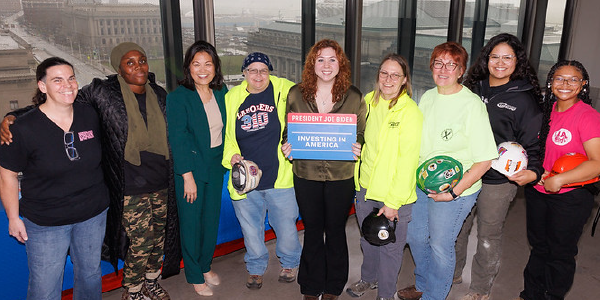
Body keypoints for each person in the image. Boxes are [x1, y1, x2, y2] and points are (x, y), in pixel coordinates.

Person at [1, 42, 180, 300]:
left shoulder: (157, 95)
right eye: (129, 62)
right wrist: (12, 116)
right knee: (47, 284)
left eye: (141, 60)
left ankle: (150, 282)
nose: (138, 66)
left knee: (105, 267)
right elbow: (55, 106)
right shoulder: (102, 94)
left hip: (125, 197)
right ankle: (133, 290)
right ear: (118, 68)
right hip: (108, 195)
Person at [0, 57, 109, 300]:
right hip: (45, 222)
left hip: (92, 215)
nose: (67, 85)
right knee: (45, 287)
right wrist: (13, 217)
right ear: (42, 86)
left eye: (71, 78)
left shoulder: (89, 114)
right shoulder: (23, 128)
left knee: (90, 275)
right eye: (57, 80)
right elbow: (7, 174)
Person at [396, 41, 497, 300]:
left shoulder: (472, 105)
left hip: (457, 189)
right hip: (422, 184)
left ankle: (434, 296)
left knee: (440, 245)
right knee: (416, 238)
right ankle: (422, 284)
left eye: (451, 64)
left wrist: (453, 193)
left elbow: (485, 160)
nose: (444, 69)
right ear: (431, 67)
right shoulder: (427, 97)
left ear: (461, 70)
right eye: (438, 63)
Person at [453, 33, 544, 300]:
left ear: (518, 62)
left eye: (507, 57)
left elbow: (534, 146)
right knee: (458, 229)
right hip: (466, 174)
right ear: (486, 59)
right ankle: (453, 271)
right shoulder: (471, 88)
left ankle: (480, 289)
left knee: (487, 237)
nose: (500, 62)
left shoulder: (524, 99)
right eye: (495, 56)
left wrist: (534, 171)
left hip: (497, 182)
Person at [281, 38, 366, 300]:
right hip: (305, 174)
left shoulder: (354, 96)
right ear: (312, 64)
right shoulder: (296, 94)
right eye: (320, 59)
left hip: (341, 175)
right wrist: (287, 145)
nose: (326, 65)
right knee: (313, 230)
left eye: (332, 59)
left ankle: (333, 286)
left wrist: (359, 145)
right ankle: (310, 285)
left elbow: (361, 132)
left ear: (340, 64)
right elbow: (289, 130)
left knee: (337, 230)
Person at [515, 60, 600, 300]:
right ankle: (531, 294)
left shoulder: (588, 116)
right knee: (539, 248)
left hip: (571, 198)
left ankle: (552, 296)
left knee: (560, 253)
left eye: (573, 79)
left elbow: (597, 163)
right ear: (551, 82)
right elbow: (537, 150)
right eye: (560, 78)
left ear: (583, 85)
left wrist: (561, 179)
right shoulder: (544, 112)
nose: (565, 84)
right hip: (538, 192)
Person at [222, 52, 302, 290]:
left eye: (263, 70)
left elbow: (311, 102)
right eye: (252, 70)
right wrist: (231, 157)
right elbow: (228, 137)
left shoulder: (286, 89)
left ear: (271, 72)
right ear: (244, 73)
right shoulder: (232, 97)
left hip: (280, 175)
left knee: (286, 225)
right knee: (250, 228)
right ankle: (256, 268)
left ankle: (289, 263)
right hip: (247, 179)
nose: (258, 75)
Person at [345, 53, 422, 300]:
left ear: (404, 80)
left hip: (393, 195)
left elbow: (408, 161)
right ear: (378, 75)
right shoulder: (368, 102)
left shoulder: (410, 113)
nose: (388, 79)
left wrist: (393, 202)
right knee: (368, 241)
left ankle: (386, 295)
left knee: (390, 249)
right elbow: (358, 138)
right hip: (366, 189)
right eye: (384, 73)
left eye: (395, 75)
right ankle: (368, 279)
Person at [166, 40, 227, 296]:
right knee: (191, 224)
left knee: (210, 220)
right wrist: (187, 177)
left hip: (216, 164)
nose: (203, 70)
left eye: (208, 64)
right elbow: (178, 140)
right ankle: (193, 274)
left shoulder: (223, 92)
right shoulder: (178, 98)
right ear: (188, 68)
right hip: (190, 168)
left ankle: (205, 265)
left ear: (215, 67)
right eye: (196, 64)